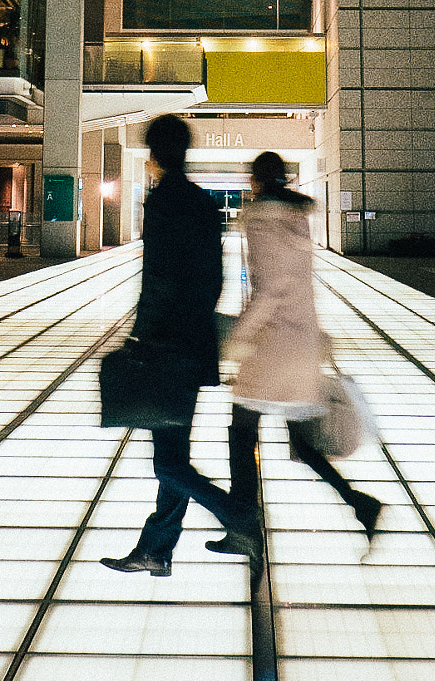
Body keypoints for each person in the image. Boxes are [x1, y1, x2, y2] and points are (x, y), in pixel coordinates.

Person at [101, 113, 261, 577]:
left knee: (169, 463)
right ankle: (156, 550)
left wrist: (142, 335)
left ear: (154, 154)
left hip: (164, 345)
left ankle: (238, 516)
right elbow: (214, 279)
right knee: (174, 453)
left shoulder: (163, 202)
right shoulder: (203, 204)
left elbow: (158, 280)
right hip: (194, 345)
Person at [219, 151, 380, 551]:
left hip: (271, 345)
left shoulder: (262, 220)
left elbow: (271, 289)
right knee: (300, 440)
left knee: (241, 435)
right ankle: (359, 503)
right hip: (299, 343)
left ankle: (244, 527)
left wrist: (239, 336)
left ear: (255, 180)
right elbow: (297, 284)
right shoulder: (296, 219)